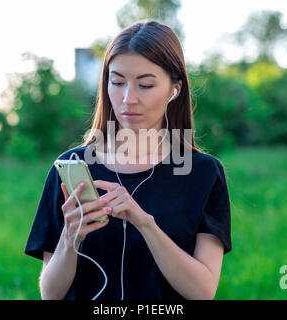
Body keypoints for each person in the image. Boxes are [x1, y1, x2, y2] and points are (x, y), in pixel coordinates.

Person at [24, 19, 232, 300]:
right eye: (117, 82)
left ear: (175, 89)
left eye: (145, 85)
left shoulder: (203, 173)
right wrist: (70, 236)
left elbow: (202, 292)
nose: (128, 99)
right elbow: (50, 294)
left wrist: (145, 224)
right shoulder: (71, 167)